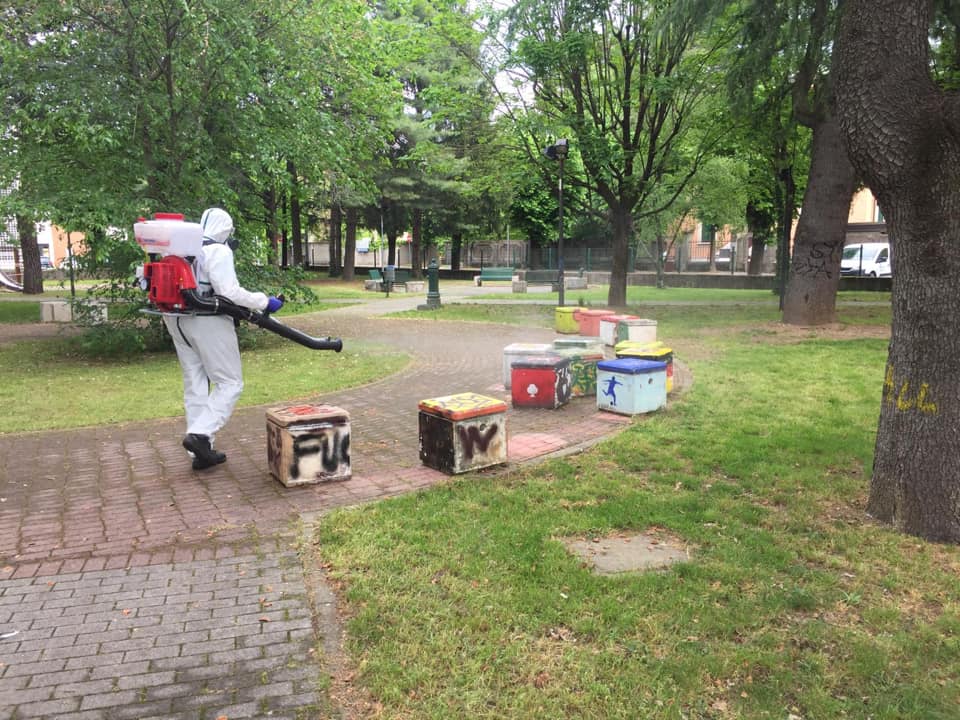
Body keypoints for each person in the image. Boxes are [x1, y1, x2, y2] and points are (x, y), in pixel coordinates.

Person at [163, 208, 283, 470]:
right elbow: (228, 292)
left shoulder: (178, 248)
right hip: (208, 320)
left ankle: (200, 453)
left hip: (176, 319)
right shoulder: (217, 250)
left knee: (195, 383)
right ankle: (200, 435)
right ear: (225, 229)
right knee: (230, 383)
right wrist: (264, 301)